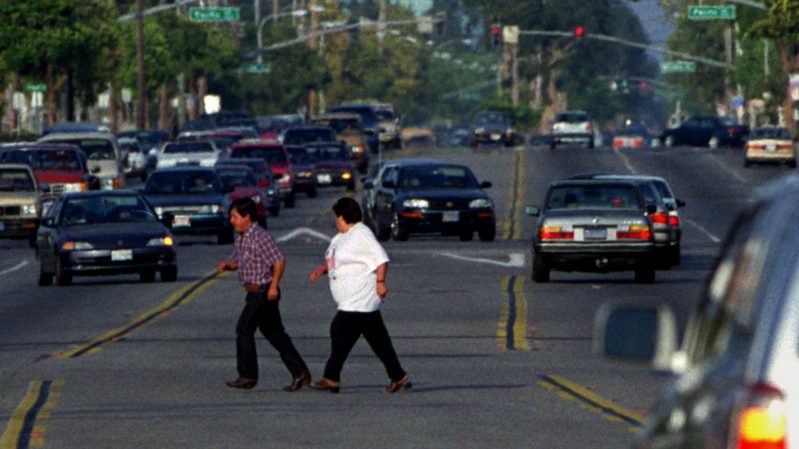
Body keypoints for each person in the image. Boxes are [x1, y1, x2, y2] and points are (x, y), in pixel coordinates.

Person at [309, 197, 410, 394]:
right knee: (379, 341)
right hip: (356, 301)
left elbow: (381, 260)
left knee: (339, 331)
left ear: (342, 216)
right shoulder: (341, 237)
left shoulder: (361, 234)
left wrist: (381, 283)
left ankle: (331, 377)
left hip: (359, 298)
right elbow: (342, 261)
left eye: (336, 216)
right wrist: (323, 270)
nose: (335, 221)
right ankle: (398, 376)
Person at [217, 197, 311, 392]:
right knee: (276, 335)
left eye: (235, 217)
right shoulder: (242, 238)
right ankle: (300, 372)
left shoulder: (260, 237)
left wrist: (274, 287)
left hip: (263, 292)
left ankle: (248, 375)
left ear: (247, 216)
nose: (232, 221)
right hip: (253, 292)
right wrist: (229, 265)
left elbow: (278, 261)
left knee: (243, 329)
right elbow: (240, 261)